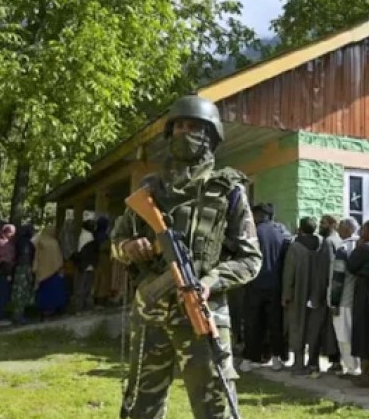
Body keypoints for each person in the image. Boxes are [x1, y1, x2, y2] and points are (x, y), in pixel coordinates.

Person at [110, 94, 261, 419]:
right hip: (151, 314)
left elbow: (250, 259)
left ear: (210, 136)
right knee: (139, 407)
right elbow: (117, 241)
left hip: (202, 314)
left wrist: (208, 282)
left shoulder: (228, 191)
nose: (183, 132)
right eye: (178, 126)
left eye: (193, 127)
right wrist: (129, 248)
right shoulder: (149, 191)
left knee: (214, 408)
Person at [240, 203, 290, 373]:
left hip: (255, 283)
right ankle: (277, 358)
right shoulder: (282, 233)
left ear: (260, 215)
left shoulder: (254, 233)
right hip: (275, 284)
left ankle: (250, 358)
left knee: (253, 322)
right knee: (275, 323)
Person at [282, 216, 321, 376]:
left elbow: (289, 273)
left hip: (299, 292)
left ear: (301, 229)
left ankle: (298, 364)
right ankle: (313, 363)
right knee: (312, 328)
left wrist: (286, 294)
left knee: (297, 325)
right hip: (316, 292)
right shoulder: (321, 245)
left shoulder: (296, 247)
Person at [306, 214, 343, 378]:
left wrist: (316, 297)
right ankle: (335, 362)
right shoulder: (338, 241)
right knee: (331, 332)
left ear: (333, 225)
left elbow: (323, 272)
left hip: (323, 296)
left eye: (324, 223)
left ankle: (313, 363)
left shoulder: (328, 243)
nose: (320, 226)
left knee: (316, 330)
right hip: (333, 294)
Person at [347, 219, 369, 388]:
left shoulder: (365, 248)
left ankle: (365, 374)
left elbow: (351, 266)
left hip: (364, 294)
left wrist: (359, 245)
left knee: (363, 334)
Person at [330, 216, 361, 377]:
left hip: (344, 299)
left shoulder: (344, 248)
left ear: (348, 229)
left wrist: (334, 301)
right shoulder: (361, 245)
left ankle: (351, 368)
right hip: (359, 298)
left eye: (341, 227)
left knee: (344, 336)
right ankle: (360, 367)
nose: (338, 231)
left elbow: (338, 278)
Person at [33, 225, 67, 318]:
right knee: (52, 291)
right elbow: (58, 258)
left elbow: (35, 255)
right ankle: (51, 310)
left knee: (42, 291)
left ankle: (41, 309)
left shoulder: (39, 241)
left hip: (42, 271)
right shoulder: (54, 243)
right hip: (53, 272)